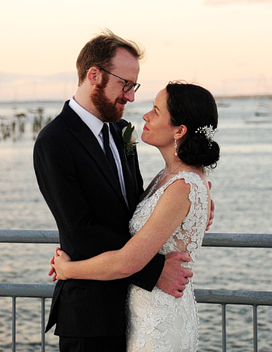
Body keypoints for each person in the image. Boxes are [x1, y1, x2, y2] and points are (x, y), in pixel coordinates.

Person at [33, 31, 195, 352]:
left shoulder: (124, 132)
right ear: (94, 76)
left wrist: (190, 198)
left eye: (133, 87)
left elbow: (135, 206)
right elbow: (80, 233)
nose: (131, 97)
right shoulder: (54, 142)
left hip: (137, 311)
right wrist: (155, 270)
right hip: (91, 315)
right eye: (125, 85)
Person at [50, 81, 220, 352]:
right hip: (144, 314)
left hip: (159, 323)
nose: (145, 115)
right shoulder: (168, 177)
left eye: (156, 110)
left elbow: (127, 262)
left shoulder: (182, 184)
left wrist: (67, 269)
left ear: (179, 130)